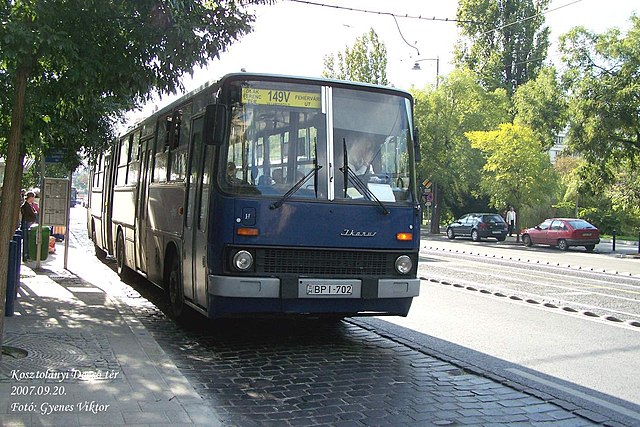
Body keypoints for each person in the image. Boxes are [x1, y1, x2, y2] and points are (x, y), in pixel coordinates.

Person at [20, 191, 37, 261]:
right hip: (27, 222)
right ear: (30, 197)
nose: (33, 199)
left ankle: (27, 255)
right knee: (26, 239)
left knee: (28, 239)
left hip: (28, 222)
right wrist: (34, 213)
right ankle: (26, 255)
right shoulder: (26, 205)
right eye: (33, 197)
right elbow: (31, 214)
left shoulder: (29, 205)